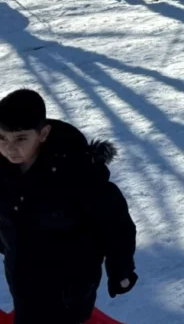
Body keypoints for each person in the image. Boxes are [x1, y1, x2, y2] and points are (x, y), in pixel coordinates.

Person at [0, 89, 138, 323]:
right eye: (1, 138)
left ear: (43, 134)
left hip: (71, 280)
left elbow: (114, 222)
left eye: (21, 138)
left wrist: (121, 268)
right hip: (22, 273)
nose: (10, 148)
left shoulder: (76, 171)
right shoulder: (2, 171)